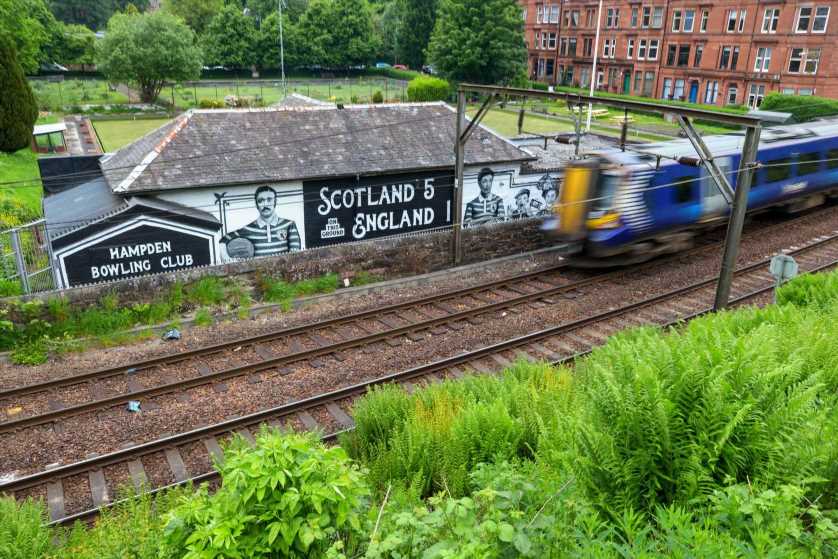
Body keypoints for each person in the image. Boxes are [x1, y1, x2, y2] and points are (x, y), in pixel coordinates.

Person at [222, 185, 301, 258]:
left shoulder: (289, 225)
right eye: (261, 201)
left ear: (275, 201)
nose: (265, 204)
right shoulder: (248, 229)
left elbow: (295, 257)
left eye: (269, 200)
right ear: (256, 204)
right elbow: (223, 240)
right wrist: (228, 259)